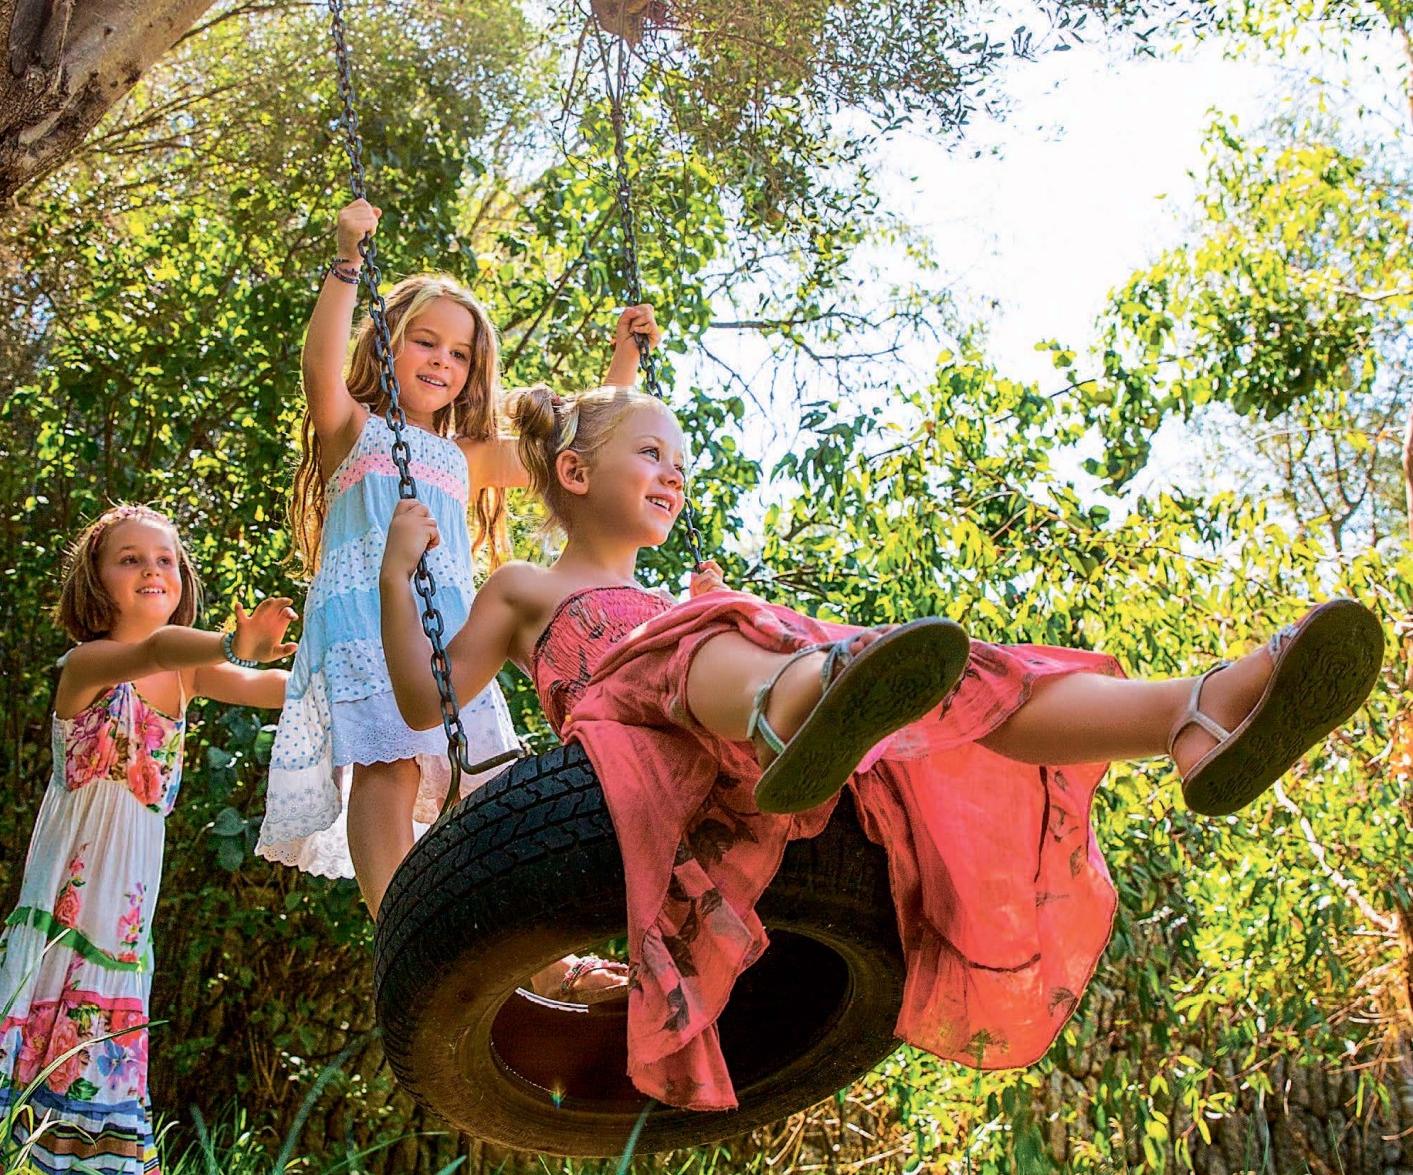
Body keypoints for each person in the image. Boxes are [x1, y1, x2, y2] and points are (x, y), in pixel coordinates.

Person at [378, 383, 1384, 1112]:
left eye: (680, 460)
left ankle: (1192, 713)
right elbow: (426, 699)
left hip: (761, 739)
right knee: (703, 639)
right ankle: (792, 701)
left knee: (964, 677)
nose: (674, 472)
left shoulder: (682, 597)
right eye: (652, 453)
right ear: (573, 473)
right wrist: (396, 573)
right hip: (642, 733)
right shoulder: (528, 589)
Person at [256, 195, 658, 916]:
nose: (442, 360)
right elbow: (318, 367)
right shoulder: (354, 428)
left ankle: (521, 958)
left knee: (479, 787)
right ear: (385, 344)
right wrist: (347, 262)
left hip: (447, 629)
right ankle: (398, 925)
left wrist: (624, 358)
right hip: (366, 616)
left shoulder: (465, 455)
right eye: (425, 342)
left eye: (459, 353)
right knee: (390, 766)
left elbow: (578, 454)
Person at [0, 503, 294, 1175]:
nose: (151, 570)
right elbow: (156, 649)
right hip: (69, 894)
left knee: (99, 1037)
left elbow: (275, 689)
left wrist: (356, 670)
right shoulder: (89, 663)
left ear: (183, 579)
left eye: (165, 559)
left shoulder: (190, 675)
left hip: (127, 904)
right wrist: (235, 642)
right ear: (95, 583)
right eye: (129, 559)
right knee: (50, 1024)